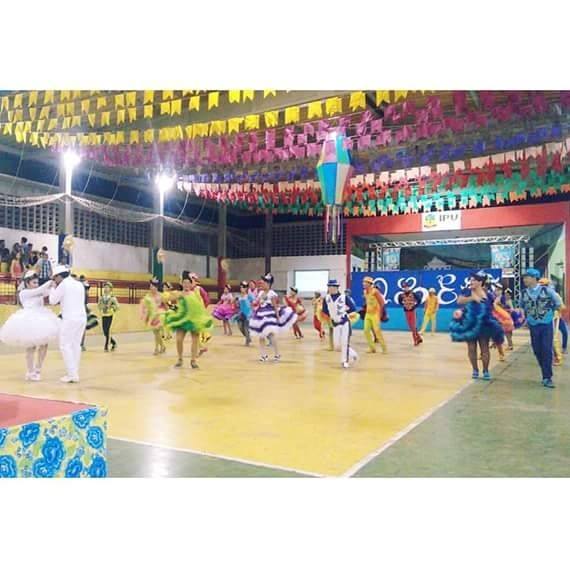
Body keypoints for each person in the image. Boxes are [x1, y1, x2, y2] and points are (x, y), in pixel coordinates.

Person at [0, 270, 60, 381]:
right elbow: (40, 290)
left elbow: (49, 292)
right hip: (29, 320)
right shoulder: (24, 293)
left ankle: (38, 369)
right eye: (34, 282)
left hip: (41, 318)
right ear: (27, 283)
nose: (36, 284)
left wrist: (54, 286)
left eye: (37, 282)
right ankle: (30, 371)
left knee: (44, 344)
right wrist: (50, 282)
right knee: (31, 346)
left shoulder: (39, 292)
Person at [449, 270, 505, 381]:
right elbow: (459, 301)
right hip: (470, 325)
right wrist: (472, 298)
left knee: (485, 348)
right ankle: (475, 370)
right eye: (471, 280)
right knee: (471, 348)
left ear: (480, 282)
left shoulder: (488, 295)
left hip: (484, 325)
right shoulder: (467, 291)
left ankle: (486, 371)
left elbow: (492, 309)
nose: (471, 282)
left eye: (474, 280)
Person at [520, 269, 562, 388]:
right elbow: (522, 306)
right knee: (537, 349)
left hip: (546, 324)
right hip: (533, 325)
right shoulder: (524, 293)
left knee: (546, 349)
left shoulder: (547, 290)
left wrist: (551, 313)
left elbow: (558, 303)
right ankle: (545, 369)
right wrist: (525, 318)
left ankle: (547, 377)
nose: (524, 279)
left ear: (534, 278)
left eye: (527, 277)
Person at [164, 271, 214, 369]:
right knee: (179, 339)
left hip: (193, 320)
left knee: (195, 340)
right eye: (184, 283)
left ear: (191, 284)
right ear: (181, 284)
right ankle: (180, 359)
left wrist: (201, 318)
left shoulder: (195, 294)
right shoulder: (179, 293)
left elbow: (200, 306)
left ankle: (193, 360)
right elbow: (167, 297)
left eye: (188, 283)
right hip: (182, 319)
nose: (186, 285)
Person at [49, 265, 87, 383]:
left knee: (65, 345)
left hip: (70, 319)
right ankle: (74, 373)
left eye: (55, 278)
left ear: (59, 276)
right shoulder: (79, 284)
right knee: (76, 345)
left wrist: (53, 288)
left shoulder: (63, 284)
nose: (54, 280)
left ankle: (72, 374)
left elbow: (52, 301)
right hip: (81, 318)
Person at [249, 273, 297, 362]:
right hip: (261, 314)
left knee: (271, 335)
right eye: (262, 282)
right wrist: (254, 304)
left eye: (264, 282)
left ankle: (277, 354)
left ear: (269, 284)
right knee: (261, 336)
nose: (262, 284)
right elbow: (257, 301)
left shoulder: (272, 294)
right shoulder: (261, 293)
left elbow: (275, 306)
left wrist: (278, 317)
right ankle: (263, 355)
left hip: (269, 314)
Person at [321, 279, 358, 369]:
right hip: (335, 323)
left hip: (344, 322)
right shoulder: (326, 298)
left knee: (344, 342)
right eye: (329, 286)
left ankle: (344, 361)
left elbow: (353, 308)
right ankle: (353, 353)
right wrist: (331, 317)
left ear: (336, 287)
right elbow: (325, 310)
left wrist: (344, 313)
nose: (330, 288)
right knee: (337, 346)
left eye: (331, 286)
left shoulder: (344, 297)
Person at [140, 278, 167, 355]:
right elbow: (145, 306)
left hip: (159, 316)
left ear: (157, 287)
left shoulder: (160, 295)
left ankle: (156, 348)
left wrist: (166, 312)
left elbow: (165, 305)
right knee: (156, 333)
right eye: (150, 286)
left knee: (157, 332)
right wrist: (144, 315)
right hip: (152, 316)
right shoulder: (147, 296)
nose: (151, 288)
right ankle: (163, 346)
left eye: (153, 286)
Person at [362, 276, 387, 354]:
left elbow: (382, 303)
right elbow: (367, 302)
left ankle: (384, 348)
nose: (363, 284)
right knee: (366, 331)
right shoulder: (364, 292)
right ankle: (372, 348)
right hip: (368, 314)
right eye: (363, 282)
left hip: (375, 314)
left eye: (365, 282)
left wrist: (381, 314)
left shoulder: (375, 291)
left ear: (369, 284)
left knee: (377, 331)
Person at [98, 282, 119, 352]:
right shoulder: (101, 297)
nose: (106, 288)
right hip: (104, 315)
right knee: (105, 332)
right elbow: (99, 306)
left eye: (107, 287)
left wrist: (111, 307)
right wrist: (102, 307)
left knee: (108, 330)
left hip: (110, 315)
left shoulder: (112, 298)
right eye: (105, 287)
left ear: (110, 289)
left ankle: (106, 346)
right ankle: (114, 343)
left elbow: (117, 306)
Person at [236, 280, 255, 346]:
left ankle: (247, 340)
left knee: (246, 327)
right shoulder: (239, 296)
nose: (242, 288)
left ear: (246, 288)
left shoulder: (249, 295)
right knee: (240, 326)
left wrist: (252, 311)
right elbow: (238, 305)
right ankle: (248, 337)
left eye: (243, 287)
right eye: (241, 287)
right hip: (241, 313)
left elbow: (254, 303)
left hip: (248, 313)